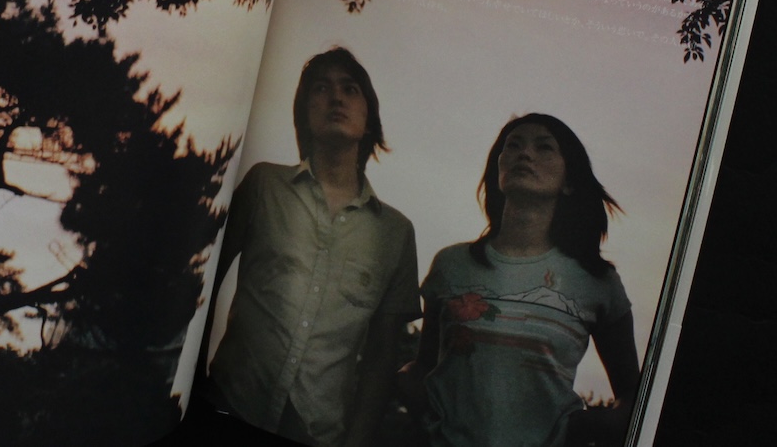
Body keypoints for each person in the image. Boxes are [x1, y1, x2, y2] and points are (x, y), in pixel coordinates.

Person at [205, 47, 420, 447]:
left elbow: (382, 357)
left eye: (350, 89)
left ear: (369, 118)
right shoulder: (264, 185)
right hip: (228, 405)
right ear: (304, 114)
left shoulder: (396, 233)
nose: (336, 97)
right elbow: (205, 279)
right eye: (321, 88)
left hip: (317, 434)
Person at [402, 113, 639, 447]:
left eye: (544, 148)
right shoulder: (451, 265)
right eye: (513, 146)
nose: (525, 154)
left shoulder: (597, 281)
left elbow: (633, 398)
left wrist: (581, 428)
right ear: (498, 171)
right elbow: (424, 368)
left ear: (569, 182)